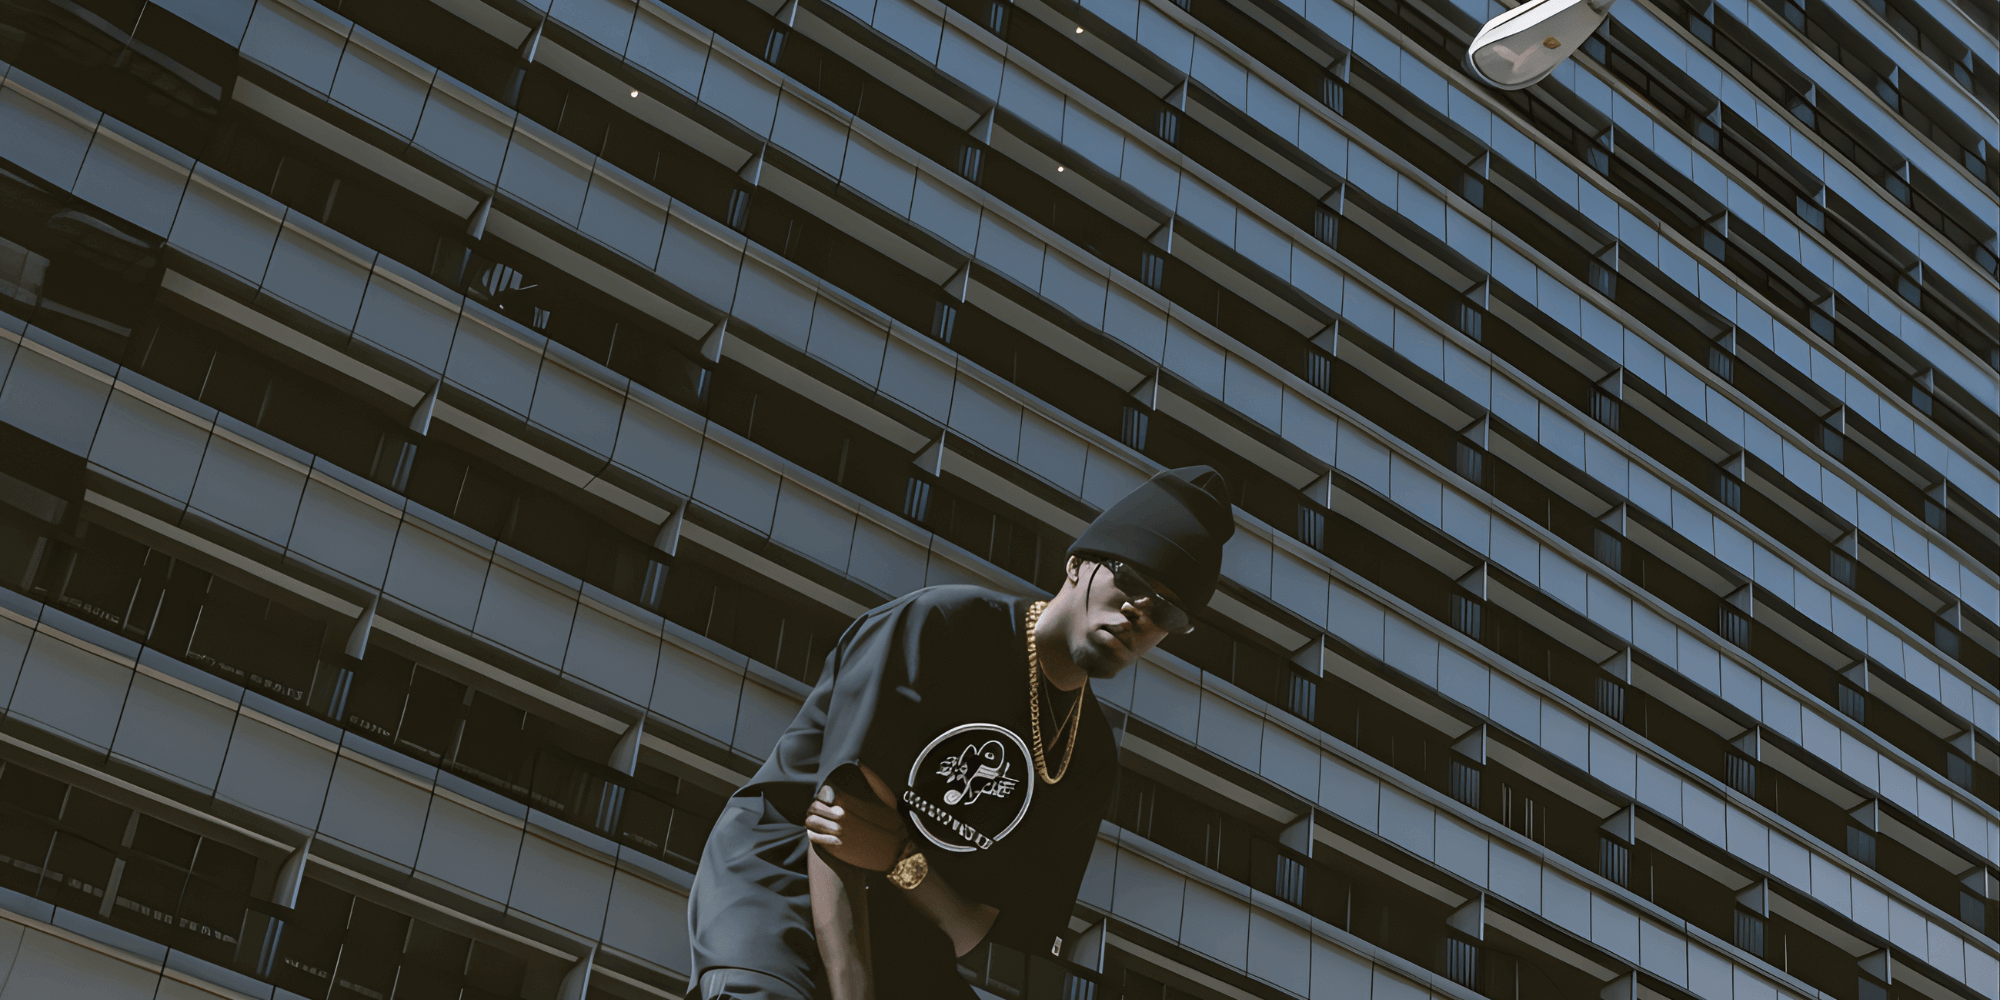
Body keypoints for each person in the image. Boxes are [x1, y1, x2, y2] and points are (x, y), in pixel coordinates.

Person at [686, 467, 1235, 1000]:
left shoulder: (1089, 756)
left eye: (1167, 612)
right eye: (1131, 580)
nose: (1140, 613)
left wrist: (903, 858)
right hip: (782, 880)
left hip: (904, 930)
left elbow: (974, 926)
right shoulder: (942, 627)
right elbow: (838, 830)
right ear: (1076, 565)